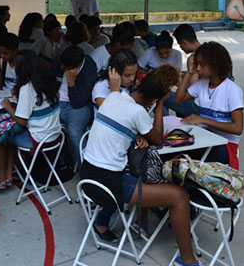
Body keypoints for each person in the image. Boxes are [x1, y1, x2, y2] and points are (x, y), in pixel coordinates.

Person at [80, 65, 200, 266]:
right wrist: (161, 104)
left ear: (139, 84)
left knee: (139, 173)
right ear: (153, 99)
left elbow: (121, 124)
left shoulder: (114, 97)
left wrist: (137, 134)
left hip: (87, 177)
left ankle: (137, 223)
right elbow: (158, 139)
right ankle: (187, 260)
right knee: (179, 196)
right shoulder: (138, 113)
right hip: (108, 185)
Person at [0, 50, 61, 190]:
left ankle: (1, 176)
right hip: (55, 135)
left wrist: (7, 106)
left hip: (38, 139)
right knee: (10, 131)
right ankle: (9, 175)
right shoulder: (46, 81)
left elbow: (22, 121)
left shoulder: (27, 88)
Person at [173, 42, 244, 169]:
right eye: (197, 64)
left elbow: (237, 128)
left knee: (186, 158)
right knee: (176, 152)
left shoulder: (232, 90)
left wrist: (204, 120)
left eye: (202, 64)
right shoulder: (202, 84)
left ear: (215, 65)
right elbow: (179, 99)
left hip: (226, 145)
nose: (198, 68)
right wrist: (188, 74)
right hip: (206, 139)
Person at [51, 46, 98, 163]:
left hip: (79, 107)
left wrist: (71, 82)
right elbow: (49, 84)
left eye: (65, 67)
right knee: (38, 124)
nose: (61, 68)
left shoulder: (89, 70)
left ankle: (86, 169)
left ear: (78, 66)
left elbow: (78, 103)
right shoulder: (60, 61)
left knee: (74, 131)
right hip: (56, 102)